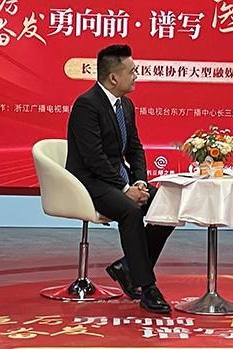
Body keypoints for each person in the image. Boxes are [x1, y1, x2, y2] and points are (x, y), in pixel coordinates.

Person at [65, 44, 174, 314]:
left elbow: (134, 148)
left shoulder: (125, 105)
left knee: (168, 205)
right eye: (132, 71)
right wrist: (125, 188)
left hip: (117, 178)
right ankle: (147, 287)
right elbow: (94, 159)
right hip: (89, 182)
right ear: (113, 78)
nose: (136, 76)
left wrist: (139, 182)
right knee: (130, 211)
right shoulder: (87, 105)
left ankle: (128, 267)